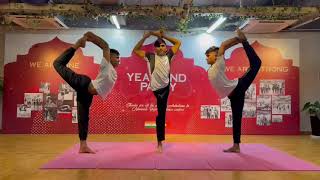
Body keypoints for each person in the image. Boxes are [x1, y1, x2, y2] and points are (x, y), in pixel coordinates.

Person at [53, 32, 120, 153]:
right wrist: (90, 36)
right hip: (83, 83)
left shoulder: (114, 72)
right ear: (110, 57)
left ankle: (83, 146)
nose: (119, 60)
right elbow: (105, 46)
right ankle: (76, 45)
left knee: (83, 118)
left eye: (119, 58)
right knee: (57, 64)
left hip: (87, 93)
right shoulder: (106, 66)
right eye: (116, 57)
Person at [205, 29, 261, 153]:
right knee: (236, 118)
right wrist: (237, 41)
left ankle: (245, 43)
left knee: (256, 63)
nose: (206, 58)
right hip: (233, 95)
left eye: (208, 55)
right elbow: (224, 47)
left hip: (238, 87)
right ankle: (236, 146)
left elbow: (224, 45)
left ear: (216, 54)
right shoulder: (211, 68)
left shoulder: (218, 63)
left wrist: (241, 40)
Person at [133, 30, 181, 152]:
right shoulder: (150, 56)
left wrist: (163, 35)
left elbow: (178, 43)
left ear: (165, 48)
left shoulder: (169, 55)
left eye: (163, 45)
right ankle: (159, 142)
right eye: (158, 46)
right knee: (160, 115)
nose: (161, 48)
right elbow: (136, 49)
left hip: (165, 88)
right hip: (155, 88)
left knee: (161, 115)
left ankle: (159, 142)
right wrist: (145, 37)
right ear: (155, 49)